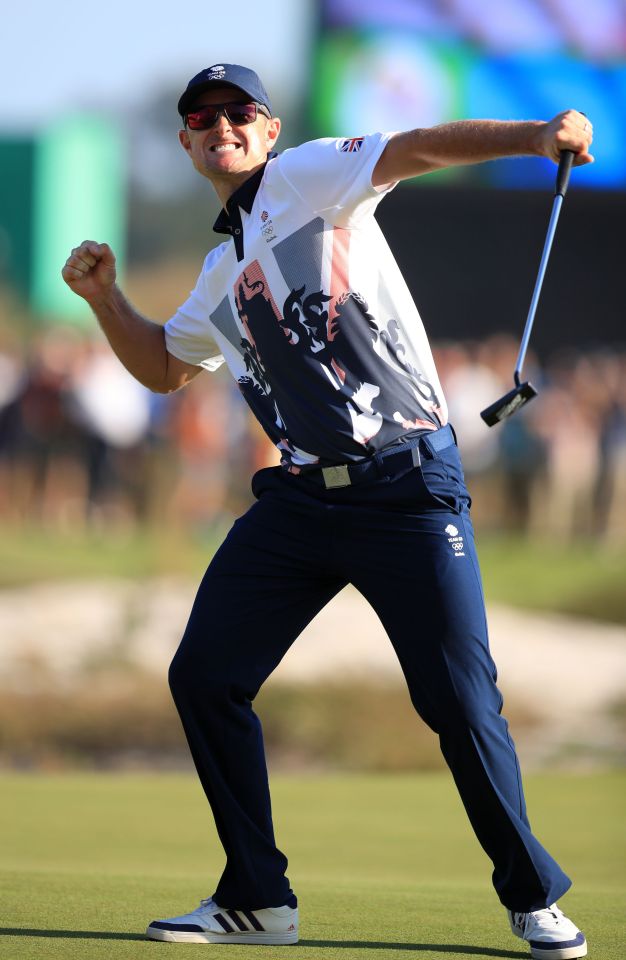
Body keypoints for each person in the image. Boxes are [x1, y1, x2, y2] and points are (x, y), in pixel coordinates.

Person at [62, 63, 593, 959]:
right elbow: (163, 367)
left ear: (268, 131)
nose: (222, 125)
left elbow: (415, 147)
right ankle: (258, 899)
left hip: (407, 486)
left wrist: (535, 136)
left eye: (240, 113)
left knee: (461, 703)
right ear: (188, 142)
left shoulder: (306, 175)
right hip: (300, 500)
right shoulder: (217, 270)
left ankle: (534, 896)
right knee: (205, 676)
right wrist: (105, 299)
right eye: (203, 117)